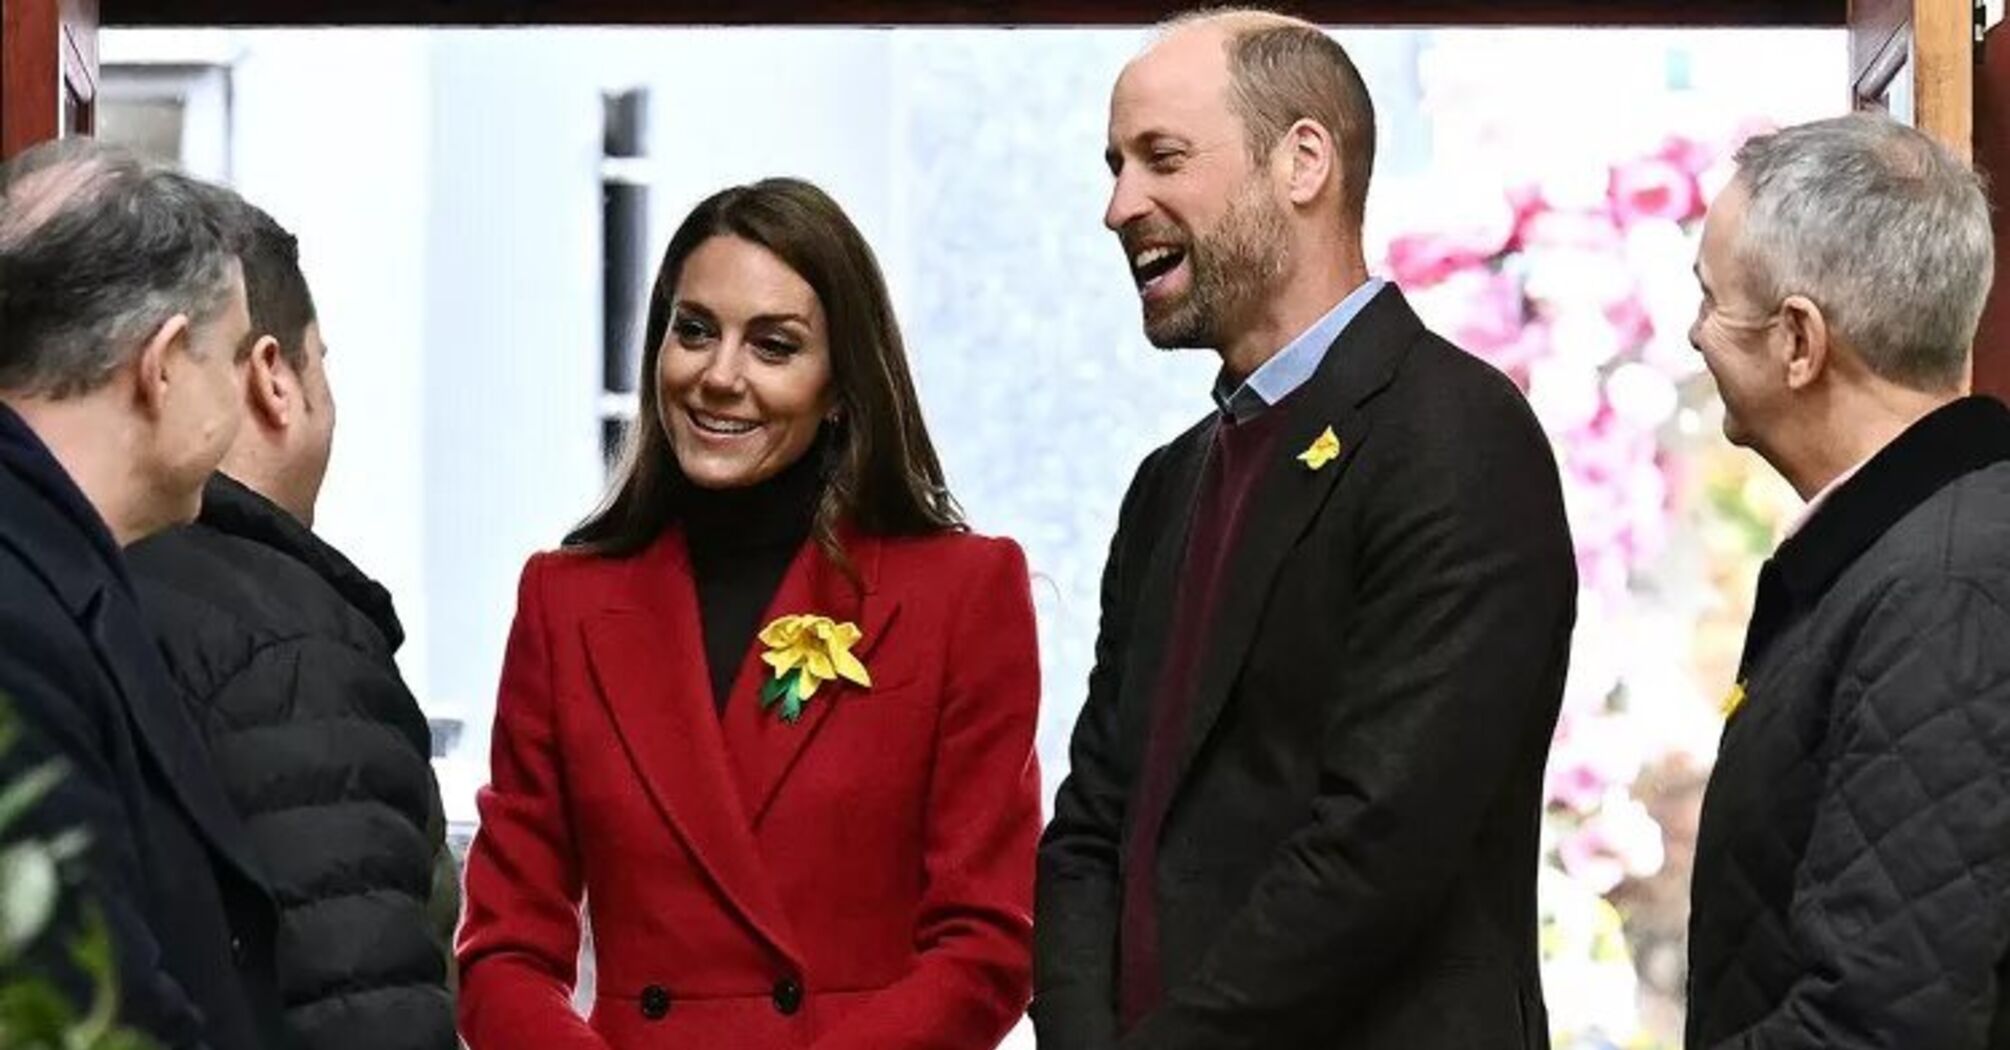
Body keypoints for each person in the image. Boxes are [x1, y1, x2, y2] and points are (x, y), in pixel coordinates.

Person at [1034, 10, 1577, 1048]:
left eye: (1162, 159)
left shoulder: (1456, 438)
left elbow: (1376, 848)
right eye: (1114, 164)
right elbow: (1092, 826)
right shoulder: (1168, 485)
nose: (1117, 207)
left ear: (1303, 161)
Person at [456, 177, 1041, 1050]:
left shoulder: (964, 590)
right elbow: (503, 950)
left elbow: (988, 945)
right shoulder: (564, 601)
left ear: (841, 386)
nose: (719, 376)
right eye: (694, 331)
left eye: (773, 346)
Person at [1684, 113, 2010, 1048]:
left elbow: (1879, 1027)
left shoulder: (1945, 590)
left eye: (1710, 300)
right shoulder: (1905, 550)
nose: (1694, 334)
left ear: (1799, 340)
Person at [126, 202, 459, 1050]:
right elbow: (364, 1017)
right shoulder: (293, 656)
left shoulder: (85, 582)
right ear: (276, 377)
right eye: (323, 365)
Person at [0, 139, 285, 1048]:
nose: (250, 397)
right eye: (233, 352)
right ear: (162, 364)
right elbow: (81, 1002)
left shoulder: (56, 565)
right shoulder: (18, 617)